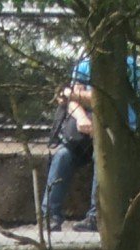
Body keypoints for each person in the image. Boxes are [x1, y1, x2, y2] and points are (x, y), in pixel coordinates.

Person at [42, 60, 94, 234]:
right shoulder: (84, 66)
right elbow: (71, 100)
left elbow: (107, 100)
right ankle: (50, 216)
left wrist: (75, 95)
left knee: (102, 160)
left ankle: (95, 216)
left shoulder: (128, 64)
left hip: (109, 134)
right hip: (82, 134)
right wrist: (81, 117)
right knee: (63, 156)